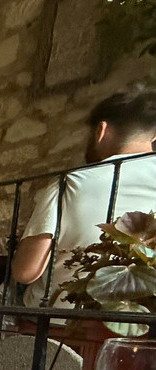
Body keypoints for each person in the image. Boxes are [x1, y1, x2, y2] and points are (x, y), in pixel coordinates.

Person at [12, 83, 156, 309]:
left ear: (101, 131)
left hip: (59, 318)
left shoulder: (71, 182)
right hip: (141, 320)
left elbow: (26, 271)